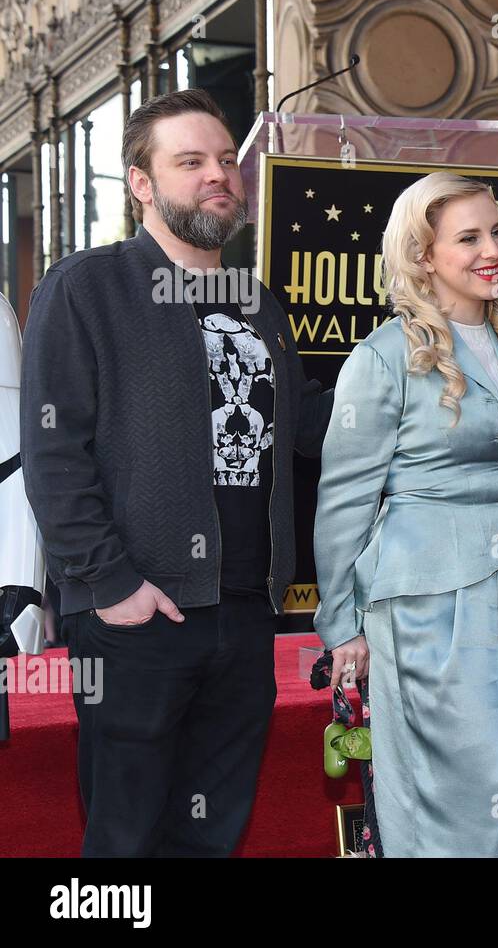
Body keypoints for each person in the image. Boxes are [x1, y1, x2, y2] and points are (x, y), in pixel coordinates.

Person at [19, 88, 332, 856]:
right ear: (141, 183)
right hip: (140, 614)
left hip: (246, 611)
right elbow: (54, 450)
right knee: (124, 840)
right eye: (190, 162)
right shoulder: (87, 285)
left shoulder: (255, 301)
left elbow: (303, 427)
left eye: (226, 160)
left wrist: (423, 368)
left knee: (211, 833)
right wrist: (112, 585)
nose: (217, 176)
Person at [312, 172, 498, 857]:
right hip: (426, 604)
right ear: (422, 255)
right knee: (449, 793)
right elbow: (344, 501)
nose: (493, 249)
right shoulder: (384, 357)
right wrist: (341, 624)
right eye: (468, 237)